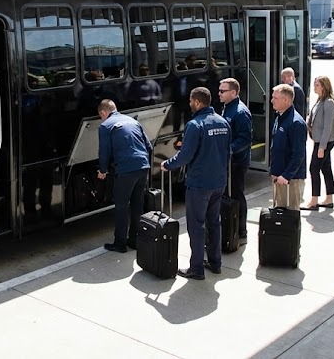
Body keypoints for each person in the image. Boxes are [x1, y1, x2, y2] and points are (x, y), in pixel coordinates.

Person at [161, 87, 231, 280]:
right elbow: (227, 153)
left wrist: (167, 164)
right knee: (214, 223)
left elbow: (185, 155)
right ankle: (216, 263)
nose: (190, 104)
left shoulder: (195, 125)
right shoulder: (223, 122)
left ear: (198, 102)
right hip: (218, 182)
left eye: (191, 101)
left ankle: (196, 268)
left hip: (199, 184)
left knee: (196, 226)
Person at [96, 99, 153, 254]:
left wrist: (103, 170)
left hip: (126, 171)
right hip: (143, 167)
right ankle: (134, 240)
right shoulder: (132, 121)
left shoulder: (105, 126)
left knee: (121, 207)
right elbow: (149, 146)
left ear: (103, 113)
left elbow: (104, 151)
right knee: (137, 205)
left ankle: (120, 243)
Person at [219, 77, 252, 244]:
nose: (219, 93)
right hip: (227, 162)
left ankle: (241, 232)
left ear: (233, 92)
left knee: (237, 195)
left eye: (223, 91)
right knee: (227, 195)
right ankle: (229, 230)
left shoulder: (240, 112)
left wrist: (229, 150)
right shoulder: (226, 108)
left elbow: (245, 139)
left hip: (237, 162)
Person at [268, 84, 308, 209]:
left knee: (290, 216)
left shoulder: (296, 123)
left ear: (285, 100)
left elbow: (298, 154)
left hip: (290, 179)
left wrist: (286, 175)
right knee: (279, 214)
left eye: (275, 98)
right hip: (279, 176)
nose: (271, 100)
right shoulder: (280, 117)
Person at [305, 76, 334, 211]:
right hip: (319, 140)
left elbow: (327, 127)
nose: (314, 87)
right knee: (326, 168)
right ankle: (329, 198)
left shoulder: (329, 103)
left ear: (324, 86)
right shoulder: (320, 100)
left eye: (317, 85)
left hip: (324, 141)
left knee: (314, 168)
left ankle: (314, 200)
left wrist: (322, 147)